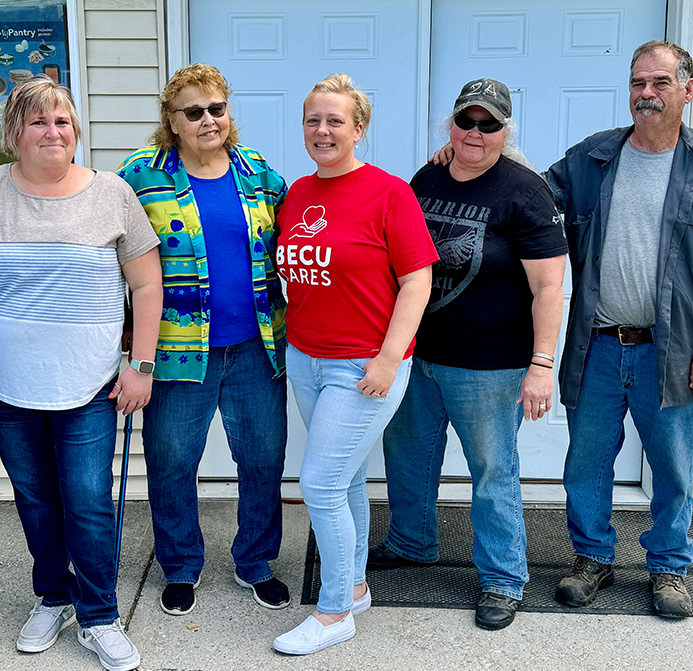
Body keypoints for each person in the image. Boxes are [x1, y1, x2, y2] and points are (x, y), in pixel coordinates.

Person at [545, 41, 693, 619]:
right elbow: (530, 197)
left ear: (688, 90)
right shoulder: (592, 159)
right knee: (586, 464)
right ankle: (593, 558)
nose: (647, 93)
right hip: (598, 345)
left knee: (672, 466)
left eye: (660, 82)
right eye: (639, 82)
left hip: (674, 350)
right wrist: (471, 152)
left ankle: (668, 566)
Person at [0, 76, 162, 670]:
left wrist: (141, 364)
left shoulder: (112, 193)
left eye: (63, 122)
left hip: (91, 383)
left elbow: (147, 284)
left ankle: (98, 614)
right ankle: (53, 596)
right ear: (14, 133)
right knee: (35, 498)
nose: (54, 132)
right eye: (39, 122)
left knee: (87, 500)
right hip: (6, 383)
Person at [370, 78, 568, 631]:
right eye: (466, 121)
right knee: (408, 458)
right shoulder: (427, 177)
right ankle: (411, 542)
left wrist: (542, 365)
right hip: (418, 354)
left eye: (489, 124)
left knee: (492, 471)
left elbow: (549, 288)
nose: (475, 133)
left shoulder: (526, 191)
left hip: (492, 365)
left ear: (506, 131)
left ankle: (503, 579)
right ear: (450, 125)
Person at [272, 73, 438, 655]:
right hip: (306, 358)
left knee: (319, 484)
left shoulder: (389, 194)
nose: (323, 131)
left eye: (335, 121)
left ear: (358, 129)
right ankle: (357, 587)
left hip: (363, 365)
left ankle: (334, 611)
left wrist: (389, 359)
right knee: (343, 480)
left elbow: (417, 281)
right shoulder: (297, 193)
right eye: (313, 120)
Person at [116, 63, 291, 616]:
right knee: (172, 462)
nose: (208, 120)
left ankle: (256, 561)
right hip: (176, 350)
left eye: (217, 108)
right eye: (193, 112)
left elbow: (307, 227)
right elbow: (111, 254)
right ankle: (180, 565)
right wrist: (129, 344)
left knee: (262, 459)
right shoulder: (140, 176)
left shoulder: (258, 172)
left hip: (257, 346)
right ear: (172, 120)